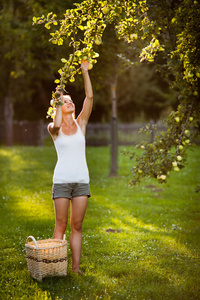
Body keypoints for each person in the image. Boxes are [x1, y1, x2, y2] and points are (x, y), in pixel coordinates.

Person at [48, 60, 93, 274]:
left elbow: (90, 98)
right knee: (61, 225)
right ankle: (56, 267)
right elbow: (56, 124)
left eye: (71, 100)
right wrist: (58, 99)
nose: (70, 102)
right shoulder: (53, 128)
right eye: (65, 101)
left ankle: (75, 268)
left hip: (81, 182)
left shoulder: (80, 124)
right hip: (62, 182)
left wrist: (85, 72)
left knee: (77, 226)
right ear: (57, 105)